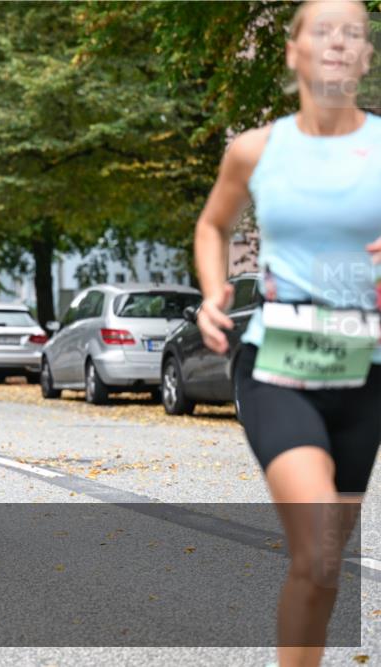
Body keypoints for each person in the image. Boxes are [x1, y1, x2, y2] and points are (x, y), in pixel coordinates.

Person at [193, 2, 380, 664]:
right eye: (321, 29)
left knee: (326, 566)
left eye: (353, 31)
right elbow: (213, 225)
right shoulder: (257, 149)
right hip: (277, 365)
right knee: (316, 545)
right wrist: (214, 290)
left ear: (365, 56)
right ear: (293, 52)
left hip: (364, 371)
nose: (337, 41)